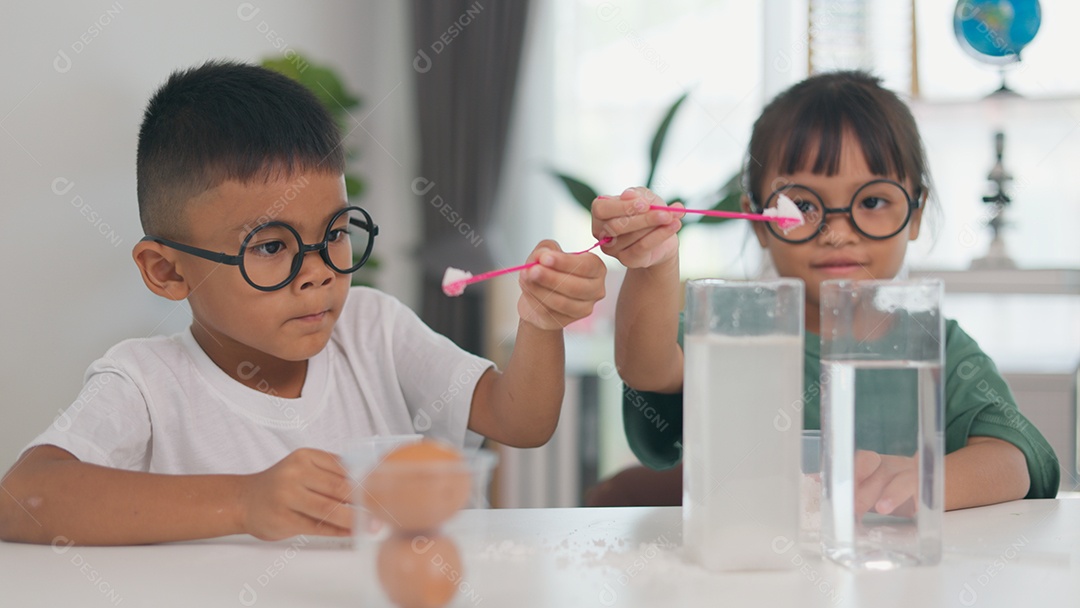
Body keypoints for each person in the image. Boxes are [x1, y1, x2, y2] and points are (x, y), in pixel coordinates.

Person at [0, 60, 606, 545]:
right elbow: (23, 498)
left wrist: (541, 321)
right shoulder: (145, 383)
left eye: (336, 233)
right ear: (166, 271)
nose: (318, 273)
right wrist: (243, 501)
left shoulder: (373, 330)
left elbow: (520, 420)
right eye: (270, 245)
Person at [589, 70, 1059, 511]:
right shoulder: (731, 333)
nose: (837, 232)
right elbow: (647, 366)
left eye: (872, 201)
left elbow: (1013, 458)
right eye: (804, 206)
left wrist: (921, 484)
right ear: (759, 222)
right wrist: (654, 262)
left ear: (915, 214)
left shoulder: (938, 345)